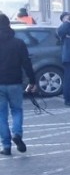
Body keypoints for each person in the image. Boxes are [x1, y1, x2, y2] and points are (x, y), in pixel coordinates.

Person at [0, 14, 37, 155]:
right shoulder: (18, 43)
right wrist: (32, 81)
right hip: (15, 82)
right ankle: (17, 134)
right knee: (17, 110)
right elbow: (27, 63)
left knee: (1, 115)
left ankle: (6, 146)